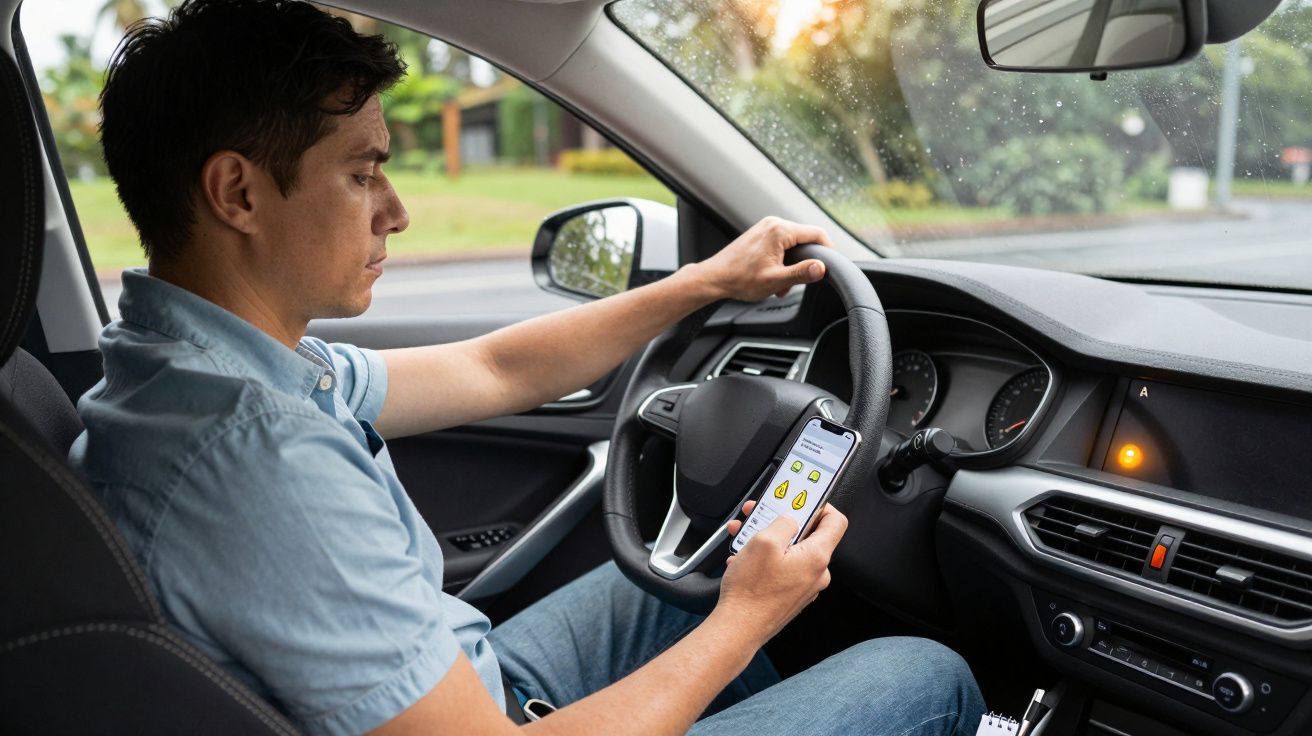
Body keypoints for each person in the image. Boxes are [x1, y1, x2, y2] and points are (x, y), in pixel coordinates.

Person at [70, 1, 987, 734]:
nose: (395, 211)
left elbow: (497, 368)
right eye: (361, 173)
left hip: (469, 685)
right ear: (238, 193)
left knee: (672, 584)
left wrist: (701, 284)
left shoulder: (193, 363)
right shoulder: (256, 459)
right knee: (923, 674)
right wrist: (747, 615)